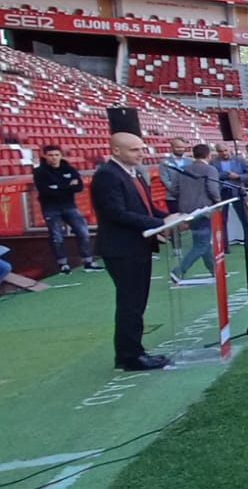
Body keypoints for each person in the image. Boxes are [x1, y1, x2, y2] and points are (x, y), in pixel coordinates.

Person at [91, 132, 187, 371]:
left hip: (137, 245)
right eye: (135, 150)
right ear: (116, 151)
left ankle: (131, 351)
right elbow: (117, 213)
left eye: (142, 149)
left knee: (136, 302)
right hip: (122, 248)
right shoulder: (107, 176)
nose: (141, 153)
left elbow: (144, 207)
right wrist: (159, 224)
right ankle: (130, 355)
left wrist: (164, 218)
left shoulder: (134, 174)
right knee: (130, 303)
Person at [32, 144, 101, 274]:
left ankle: (88, 261)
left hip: (70, 206)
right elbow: (45, 191)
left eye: (56, 155)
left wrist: (57, 187)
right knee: (57, 236)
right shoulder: (40, 172)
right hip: (51, 208)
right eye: (51, 155)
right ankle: (63, 264)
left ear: (61, 156)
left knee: (83, 233)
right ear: (45, 156)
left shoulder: (69, 169)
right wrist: (67, 187)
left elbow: (79, 187)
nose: (54, 158)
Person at [171, 144, 221, 282]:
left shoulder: (183, 169)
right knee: (201, 243)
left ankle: (214, 270)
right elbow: (212, 188)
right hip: (204, 209)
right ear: (208, 155)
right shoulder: (210, 169)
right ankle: (179, 270)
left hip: (186, 209)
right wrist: (218, 202)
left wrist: (184, 199)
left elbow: (173, 189)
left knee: (203, 241)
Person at [213, 144, 248, 243]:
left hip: (238, 191)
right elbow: (212, 176)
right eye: (221, 151)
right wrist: (226, 175)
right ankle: (224, 245)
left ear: (230, 150)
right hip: (222, 192)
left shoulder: (240, 160)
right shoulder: (213, 163)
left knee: (245, 218)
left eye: (225, 150)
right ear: (217, 152)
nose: (224, 153)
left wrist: (238, 177)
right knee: (222, 220)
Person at [155, 136, 189, 214]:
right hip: (172, 198)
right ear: (172, 147)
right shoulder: (164, 162)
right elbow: (165, 179)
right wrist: (177, 191)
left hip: (188, 197)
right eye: (178, 147)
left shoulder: (190, 161)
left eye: (182, 147)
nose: (180, 149)